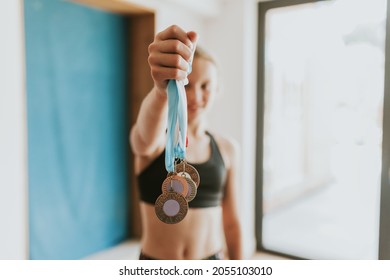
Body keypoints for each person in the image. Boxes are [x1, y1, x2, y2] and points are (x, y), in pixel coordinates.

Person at [130, 25, 242, 260]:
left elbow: (231, 222)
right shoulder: (158, 141)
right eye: (187, 85)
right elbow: (142, 140)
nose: (195, 96)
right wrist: (161, 91)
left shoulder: (227, 149)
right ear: (175, 86)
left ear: (218, 89)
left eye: (205, 86)